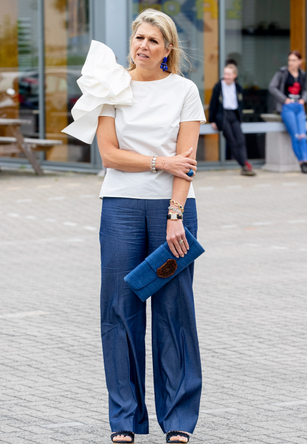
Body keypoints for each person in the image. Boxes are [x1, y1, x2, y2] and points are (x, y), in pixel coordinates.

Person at [62, 8, 205, 444]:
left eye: (153, 41)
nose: (143, 45)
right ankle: (124, 420)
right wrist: (159, 161)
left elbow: (188, 163)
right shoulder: (113, 87)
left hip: (173, 211)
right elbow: (109, 155)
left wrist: (175, 217)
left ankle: (178, 419)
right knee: (119, 311)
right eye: (139, 37)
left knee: (173, 311)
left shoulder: (185, 90)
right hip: (120, 209)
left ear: (168, 49)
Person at [269, 50, 307, 174]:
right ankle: (301, 164)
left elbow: (306, 89)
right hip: (287, 108)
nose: (291, 63)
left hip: (299, 107)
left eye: (294, 60)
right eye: (289, 60)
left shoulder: (302, 74)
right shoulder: (282, 73)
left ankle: (306, 162)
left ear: (300, 62)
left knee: (303, 136)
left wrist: (303, 100)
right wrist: (284, 99)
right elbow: (272, 87)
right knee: (295, 136)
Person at [208, 64, 256, 176]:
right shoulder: (218, 86)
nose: (226, 76)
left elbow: (240, 104)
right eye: (225, 74)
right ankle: (244, 165)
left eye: (229, 74)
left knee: (241, 141)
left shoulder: (238, 87)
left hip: (234, 116)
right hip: (223, 117)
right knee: (232, 142)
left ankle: (245, 164)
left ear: (234, 75)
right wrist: (212, 120)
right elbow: (213, 103)